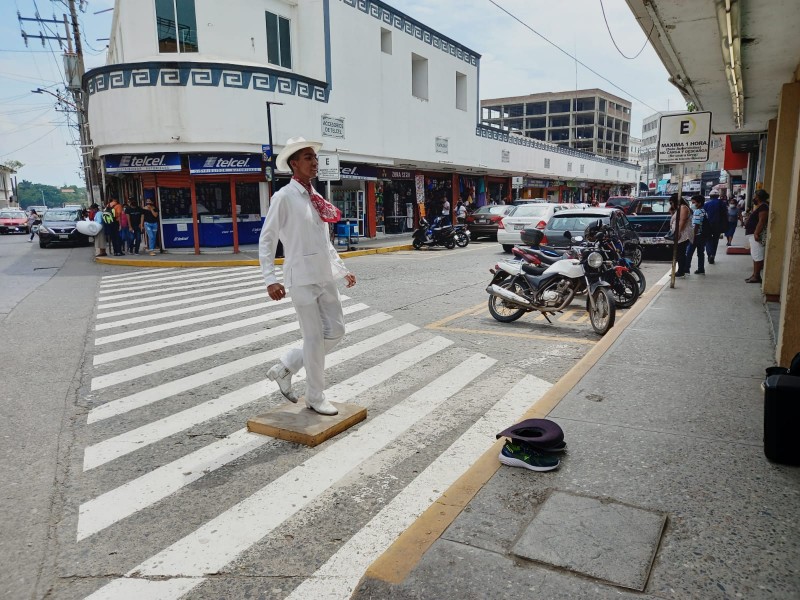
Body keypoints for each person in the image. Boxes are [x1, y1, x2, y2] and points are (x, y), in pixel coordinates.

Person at [259, 136, 356, 416]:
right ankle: (315, 396)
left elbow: (323, 241)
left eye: (314, 157)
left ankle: (285, 366)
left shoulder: (317, 198)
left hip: (324, 275)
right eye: (307, 157)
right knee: (313, 339)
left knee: (336, 330)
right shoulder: (284, 197)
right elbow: (267, 240)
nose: (314, 162)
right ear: (294, 164)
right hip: (300, 277)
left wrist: (342, 268)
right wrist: (270, 278)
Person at [745, 189, 770, 283]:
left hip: (755, 234)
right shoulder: (760, 206)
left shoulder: (763, 207)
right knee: (755, 255)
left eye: (755, 196)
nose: (754, 198)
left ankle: (756, 276)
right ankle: (754, 274)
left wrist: (756, 233)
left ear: (759, 197)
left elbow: (762, 221)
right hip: (751, 233)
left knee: (757, 255)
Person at [668, 193, 692, 277]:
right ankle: (682, 269)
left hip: (683, 234)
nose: (671, 205)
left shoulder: (683, 208)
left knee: (680, 253)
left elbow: (682, 221)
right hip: (680, 233)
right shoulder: (680, 208)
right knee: (679, 252)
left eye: (671, 203)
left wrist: (678, 232)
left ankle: (682, 270)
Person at [685, 194, 709, 275]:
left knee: (689, 253)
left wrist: (693, 236)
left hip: (697, 235)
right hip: (703, 235)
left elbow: (696, 225)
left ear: (699, 203)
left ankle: (686, 269)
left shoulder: (697, 211)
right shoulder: (704, 211)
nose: (692, 204)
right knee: (700, 253)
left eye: (694, 202)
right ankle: (701, 269)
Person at [703, 190, 726, 264]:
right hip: (718, 225)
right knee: (715, 240)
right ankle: (713, 254)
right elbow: (725, 215)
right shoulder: (722, 203)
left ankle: (710, 254)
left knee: (708, 240)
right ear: (718, 196)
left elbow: (703, 215)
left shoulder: (707, 204)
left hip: (708, 225)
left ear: (710, 196)